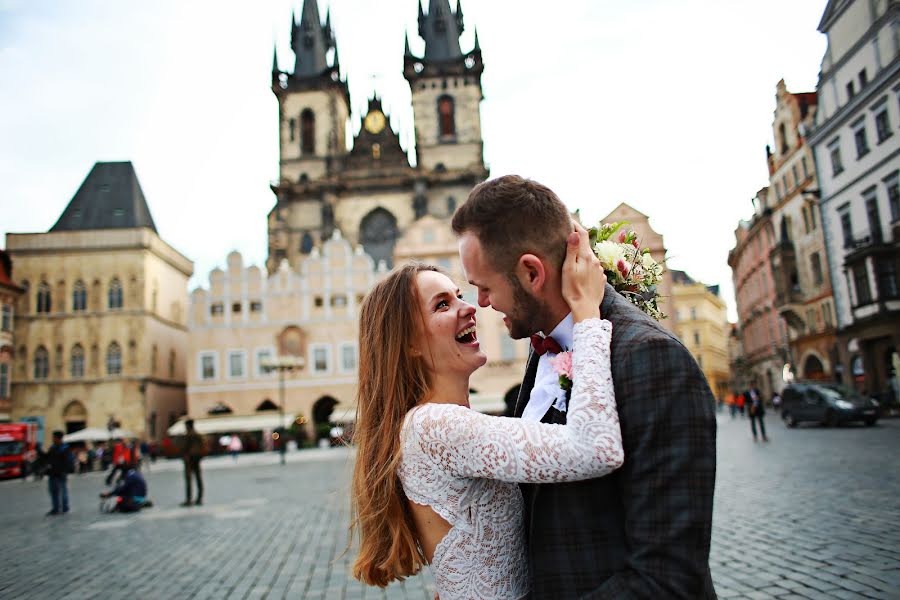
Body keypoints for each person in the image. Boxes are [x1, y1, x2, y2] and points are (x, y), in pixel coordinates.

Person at [453, 175, 717, 598]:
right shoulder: (543, 348)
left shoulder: (651, 359)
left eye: (484, 286)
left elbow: (668, 577)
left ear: (531, 272)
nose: (481, 303)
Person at [350, 230, 624, 598]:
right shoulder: (437, 426)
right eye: (442, 305)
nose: (469, 307)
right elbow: (596, 448)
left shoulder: (431, 422)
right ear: (409, 344)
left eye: (459, 295)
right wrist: (587, 314)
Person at [43, 431, 74, 515]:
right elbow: (47, 458)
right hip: (52, 473)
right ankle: (55, 508)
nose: (52, 439)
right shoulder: (52, 448)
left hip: (61, 473)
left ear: (58, 438)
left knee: (63, 491)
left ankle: (65, 507)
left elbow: (68, 461)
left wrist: (66, 471)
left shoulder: (65, 448)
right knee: (53, 491)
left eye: (53, 437)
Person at [181, 419, 204, 506]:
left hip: (189, 459)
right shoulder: (198, 435)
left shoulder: (188, 435)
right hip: (197, 458)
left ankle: (188, 499)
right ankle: (199, 498)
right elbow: (202, 446)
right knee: (198, 478)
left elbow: (185, 447)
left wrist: (185, 456)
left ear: (188, 426)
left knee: (188, 479)